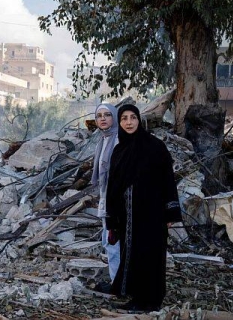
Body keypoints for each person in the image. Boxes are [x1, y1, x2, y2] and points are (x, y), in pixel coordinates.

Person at [105, 104, 182, 312]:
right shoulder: (119, 151)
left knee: (151, 255)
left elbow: (167, 179)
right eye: (124, 119)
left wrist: (171, 211)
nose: (129, 122)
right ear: (119, 123)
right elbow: (112, 187)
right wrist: (111, 219)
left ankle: (151, 300)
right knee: (131, 254)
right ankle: (137, 297)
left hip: (152, 214)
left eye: (132, 118)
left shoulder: (155, 147)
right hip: (127, 217)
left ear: (139, 120)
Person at [91, 103, 120, 288]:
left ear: (114, 117)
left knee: (114, 241)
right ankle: (115, 281)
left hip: (116, 201)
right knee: (110, 242)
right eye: (99, 115)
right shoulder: (103, 140)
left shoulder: (118, 140)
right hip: (106, 199)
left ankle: (118, 283)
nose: (103, 118)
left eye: (107, 114)